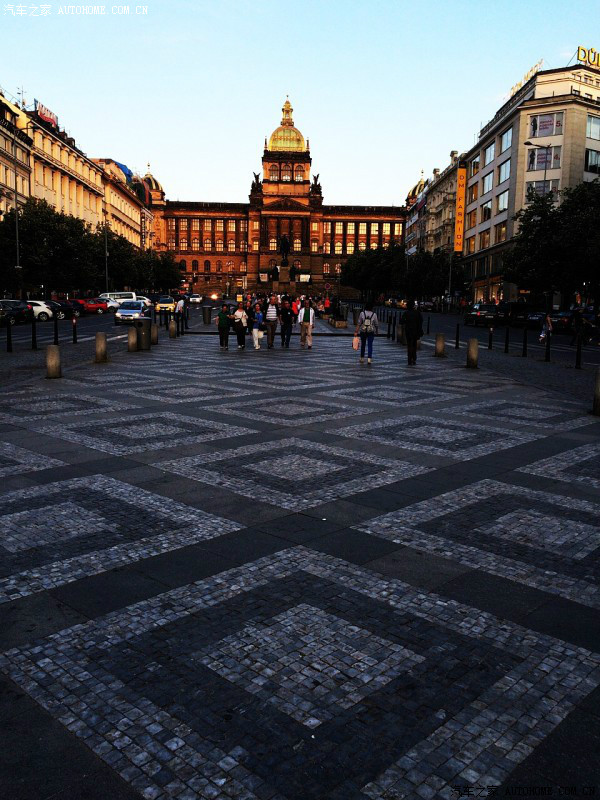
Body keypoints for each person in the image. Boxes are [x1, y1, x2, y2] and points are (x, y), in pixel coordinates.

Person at [403, 299, 424, 366]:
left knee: (409, 345)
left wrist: (406, 321)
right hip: (415, 331)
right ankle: (414, 358)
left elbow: (401, 321)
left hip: (408, 331)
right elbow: (421, 321)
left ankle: (409, 359)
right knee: (414, 345)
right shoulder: (417, 313)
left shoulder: (406, 313)